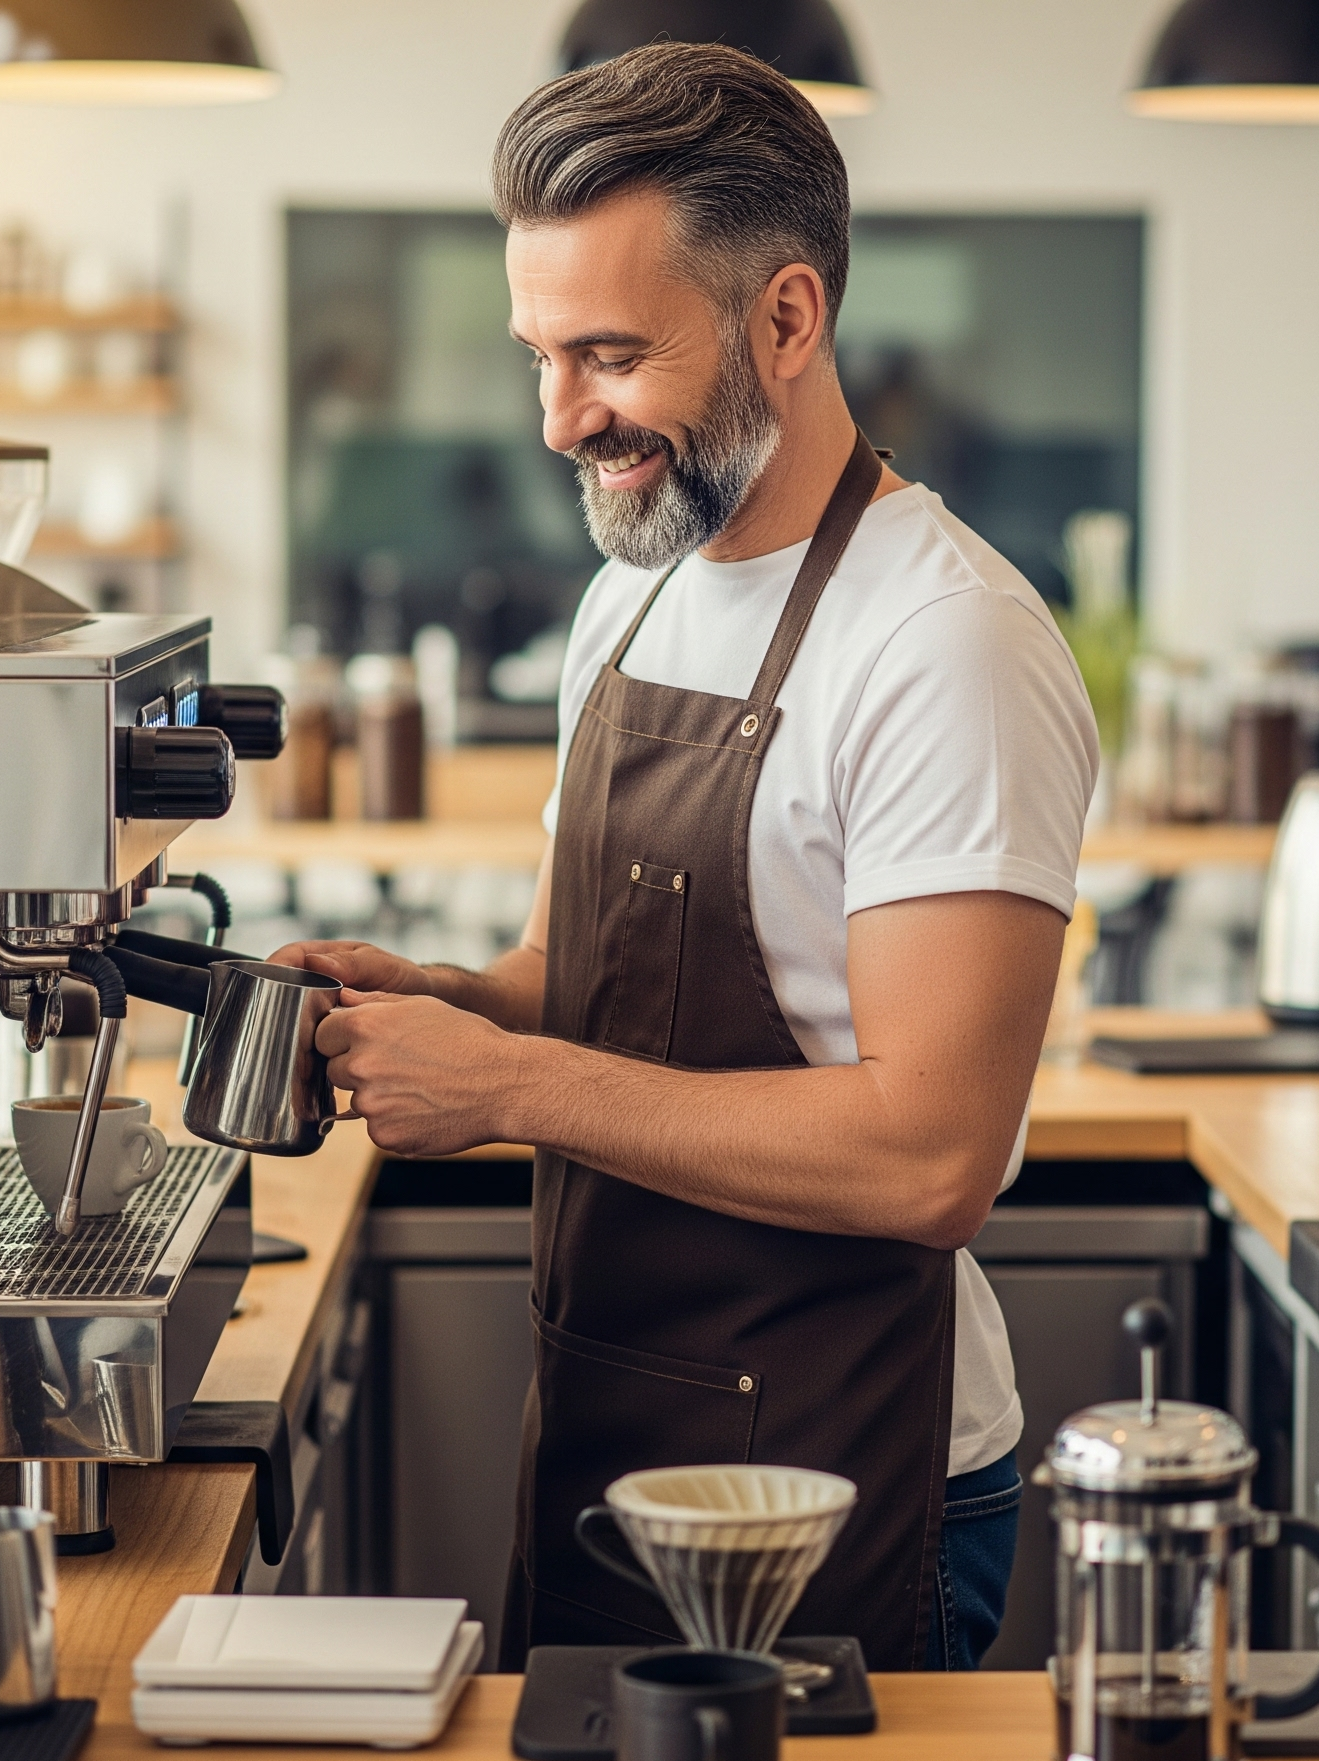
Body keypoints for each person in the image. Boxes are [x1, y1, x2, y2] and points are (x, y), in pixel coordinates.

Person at [275, 40, 1096, 1672]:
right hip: (608, 1424)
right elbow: (575, 983)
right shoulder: (632, 588)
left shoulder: (946, 644)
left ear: (786, 320)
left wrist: (508, 1092)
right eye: (538, 354)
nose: (562, 418)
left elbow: (934, 1154)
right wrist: (441, 1004)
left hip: (842, 1481)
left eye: (609, 355)